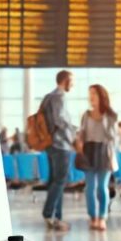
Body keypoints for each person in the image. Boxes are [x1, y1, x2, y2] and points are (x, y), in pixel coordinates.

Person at [77, 84, 119, 231]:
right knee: (90, 188)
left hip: (104, 151)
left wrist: (104, 118)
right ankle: (93, 216)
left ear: (101, 96)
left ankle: (102, 217)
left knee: (102, 186)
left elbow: (112, 137)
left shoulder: (111, 115)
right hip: (89, 151)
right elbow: (81, 133)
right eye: (90, 94)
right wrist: (79, 143)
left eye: (94, 93)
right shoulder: (86, 115)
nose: (91, 97)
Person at [41, 70, 77, 231]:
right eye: (72, 81)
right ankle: (49, 214)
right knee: (60, 180)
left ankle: (57, 217)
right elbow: (60, 120)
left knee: (57, 182)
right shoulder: (59, 97)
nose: (73, 84)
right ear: (65, 80)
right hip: (60, 144)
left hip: (51, 144)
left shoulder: (48, 97)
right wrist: (73, 135)